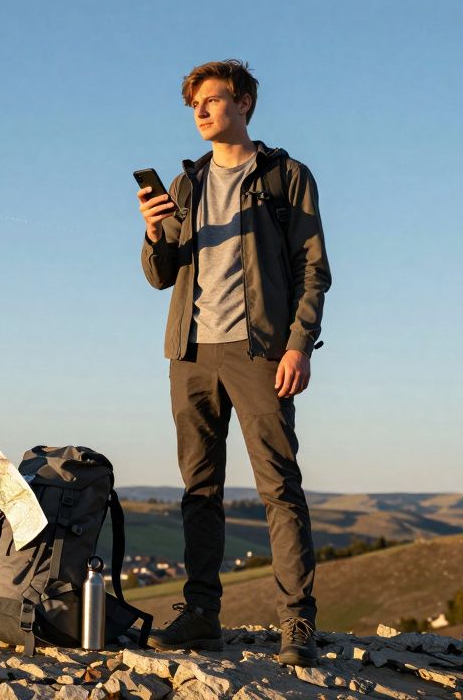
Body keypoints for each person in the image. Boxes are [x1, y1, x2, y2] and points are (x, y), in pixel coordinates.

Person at [137, 60, 331, 667]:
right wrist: (155, 234)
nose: (200, 111)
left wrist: (298, 344)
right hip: (190, 353)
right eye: (193, 103)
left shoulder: (285, 177)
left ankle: (296, 623)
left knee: (279, 486)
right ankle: (200, 615)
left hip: (259, 351)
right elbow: (159, 277)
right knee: (200, 490)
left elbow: (312, 267)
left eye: (212, 100)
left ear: (244, 104)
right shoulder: (186, 183)